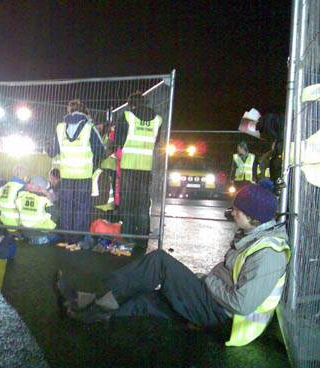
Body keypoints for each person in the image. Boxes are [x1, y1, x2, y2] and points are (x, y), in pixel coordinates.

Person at [55, 183, 290, 347]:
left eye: (239, 208)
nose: (233, 211)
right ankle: (88, 308)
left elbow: (242, 303)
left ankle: (91, 301)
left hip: (222, 317)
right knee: (145, 300)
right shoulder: (256, 239)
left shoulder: (269, 253)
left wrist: (208, 280)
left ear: (253, 215)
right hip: (215, 306)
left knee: (159, 262)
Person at [47, 99, 105, 245]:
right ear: (84, 111)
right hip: (83, 175)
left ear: (69, 111)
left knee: (67, 206)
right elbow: (100, 150)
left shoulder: (60, 128)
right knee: (81, 207)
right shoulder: (89, 127)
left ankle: (67, 237)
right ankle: (78, 238)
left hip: (66, 175)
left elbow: (53, 151)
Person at [113, 92, 162, 247]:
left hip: (128, 167)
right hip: (145, 167)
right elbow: (157, 141)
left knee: (127, 203)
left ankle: (128, 238)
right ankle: (142, 240)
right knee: (142, 205)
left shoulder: (128, 116)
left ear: (131, 104)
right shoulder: (158, 119)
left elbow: (118, 140)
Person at [16, 175, 60, 245]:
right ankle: (44, 238)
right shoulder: (44, 200)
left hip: (25, 232)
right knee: (57, 230)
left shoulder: (21, 197)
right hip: (41, 232)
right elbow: (56, 215)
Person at [0, 165, 30, 232]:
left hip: (3, 221)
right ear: (24, 177)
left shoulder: (4, 187)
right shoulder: (22, 187)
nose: (28, 180)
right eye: (27, 177)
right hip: (17, 223)